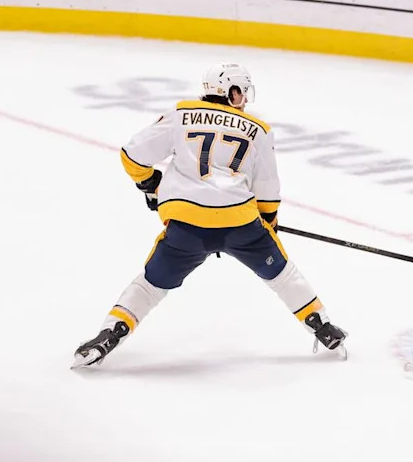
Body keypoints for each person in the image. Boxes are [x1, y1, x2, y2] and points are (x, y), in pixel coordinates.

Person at [72, 62, 347, 368]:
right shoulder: (259, 130)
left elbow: (132, 155)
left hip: (187, 227)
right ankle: (321, 325)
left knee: (152, 285)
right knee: (282, 275)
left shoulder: (181, 114)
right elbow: (268, 189)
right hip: (239, 223)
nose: (244, 98)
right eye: (241, 92)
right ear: (231, 92)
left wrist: (150, 184)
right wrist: (267, 221)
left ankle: (111, 331)